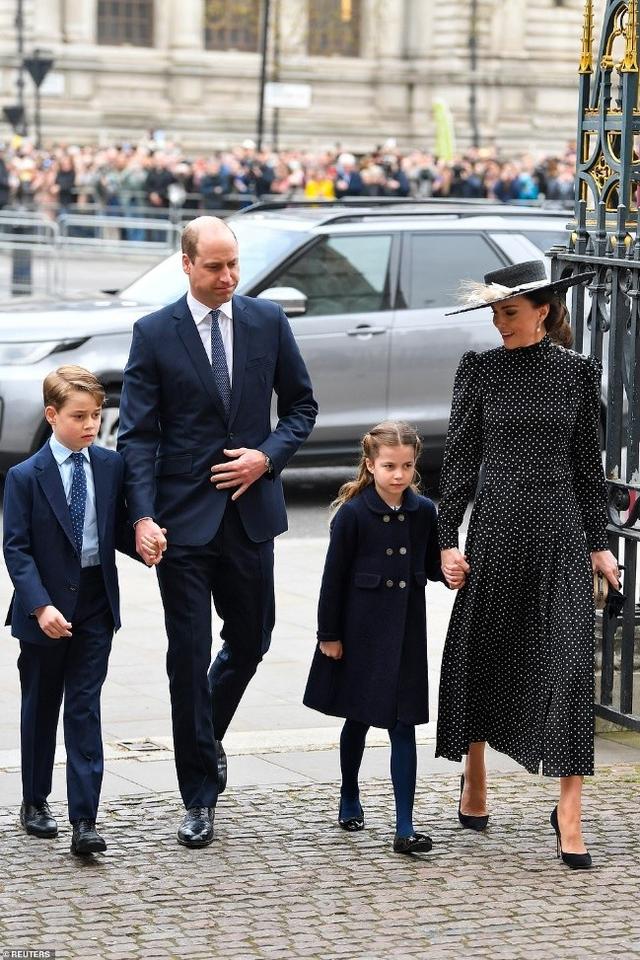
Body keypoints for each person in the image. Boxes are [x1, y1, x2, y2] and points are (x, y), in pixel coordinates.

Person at [117, 216, 317, 848]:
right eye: (215, 267)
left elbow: (302, 407)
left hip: (251, 514)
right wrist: (143, 516)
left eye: (234, 265)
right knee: (186, 658)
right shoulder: (154, 333)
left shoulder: (267, 321)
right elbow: (138, 436)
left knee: (254, 639)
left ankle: (204, 737)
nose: (228, 277)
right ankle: (199, 795)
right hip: (181, 523)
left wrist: (266, 456)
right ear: (187, 265)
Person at [437, 260, 619, 870]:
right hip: (495, 535)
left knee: (568, 667)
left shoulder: (576, 375)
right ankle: (476, 775)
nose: (498, 322)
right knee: (485, 653)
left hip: (560, 535)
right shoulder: (480, 370)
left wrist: (600, 544)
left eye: (508, 312)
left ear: (542, 311)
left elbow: (588, 471)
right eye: (493, 313)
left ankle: (569, 811)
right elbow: (459, 461)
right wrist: (446, 540)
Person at [3, 366, 145, 856]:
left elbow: (116, 530)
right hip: (43, 606)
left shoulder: (110, 467)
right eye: (78, 416)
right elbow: (16, 549)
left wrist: (143, 542)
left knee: (84, 706)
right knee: (41, 706)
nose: (90, 425)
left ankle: (85, 818)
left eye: (96, 415)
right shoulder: (25, 476)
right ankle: (35, 801)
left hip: (94, 603)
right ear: (51, 415)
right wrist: (39, 606)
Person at [303, 421, 452, 854]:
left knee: (404, 725)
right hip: (361, 633)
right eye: (389, 466)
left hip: (406, 635)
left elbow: (429, 566)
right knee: (359, 718)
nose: (399, 474)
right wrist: (328, 635)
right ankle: (350, 792)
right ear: (370, 464)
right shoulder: (353, 513)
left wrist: (451, 570)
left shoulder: (424, 511)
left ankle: (404, 826)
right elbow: (332, 580)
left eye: (406, 466)